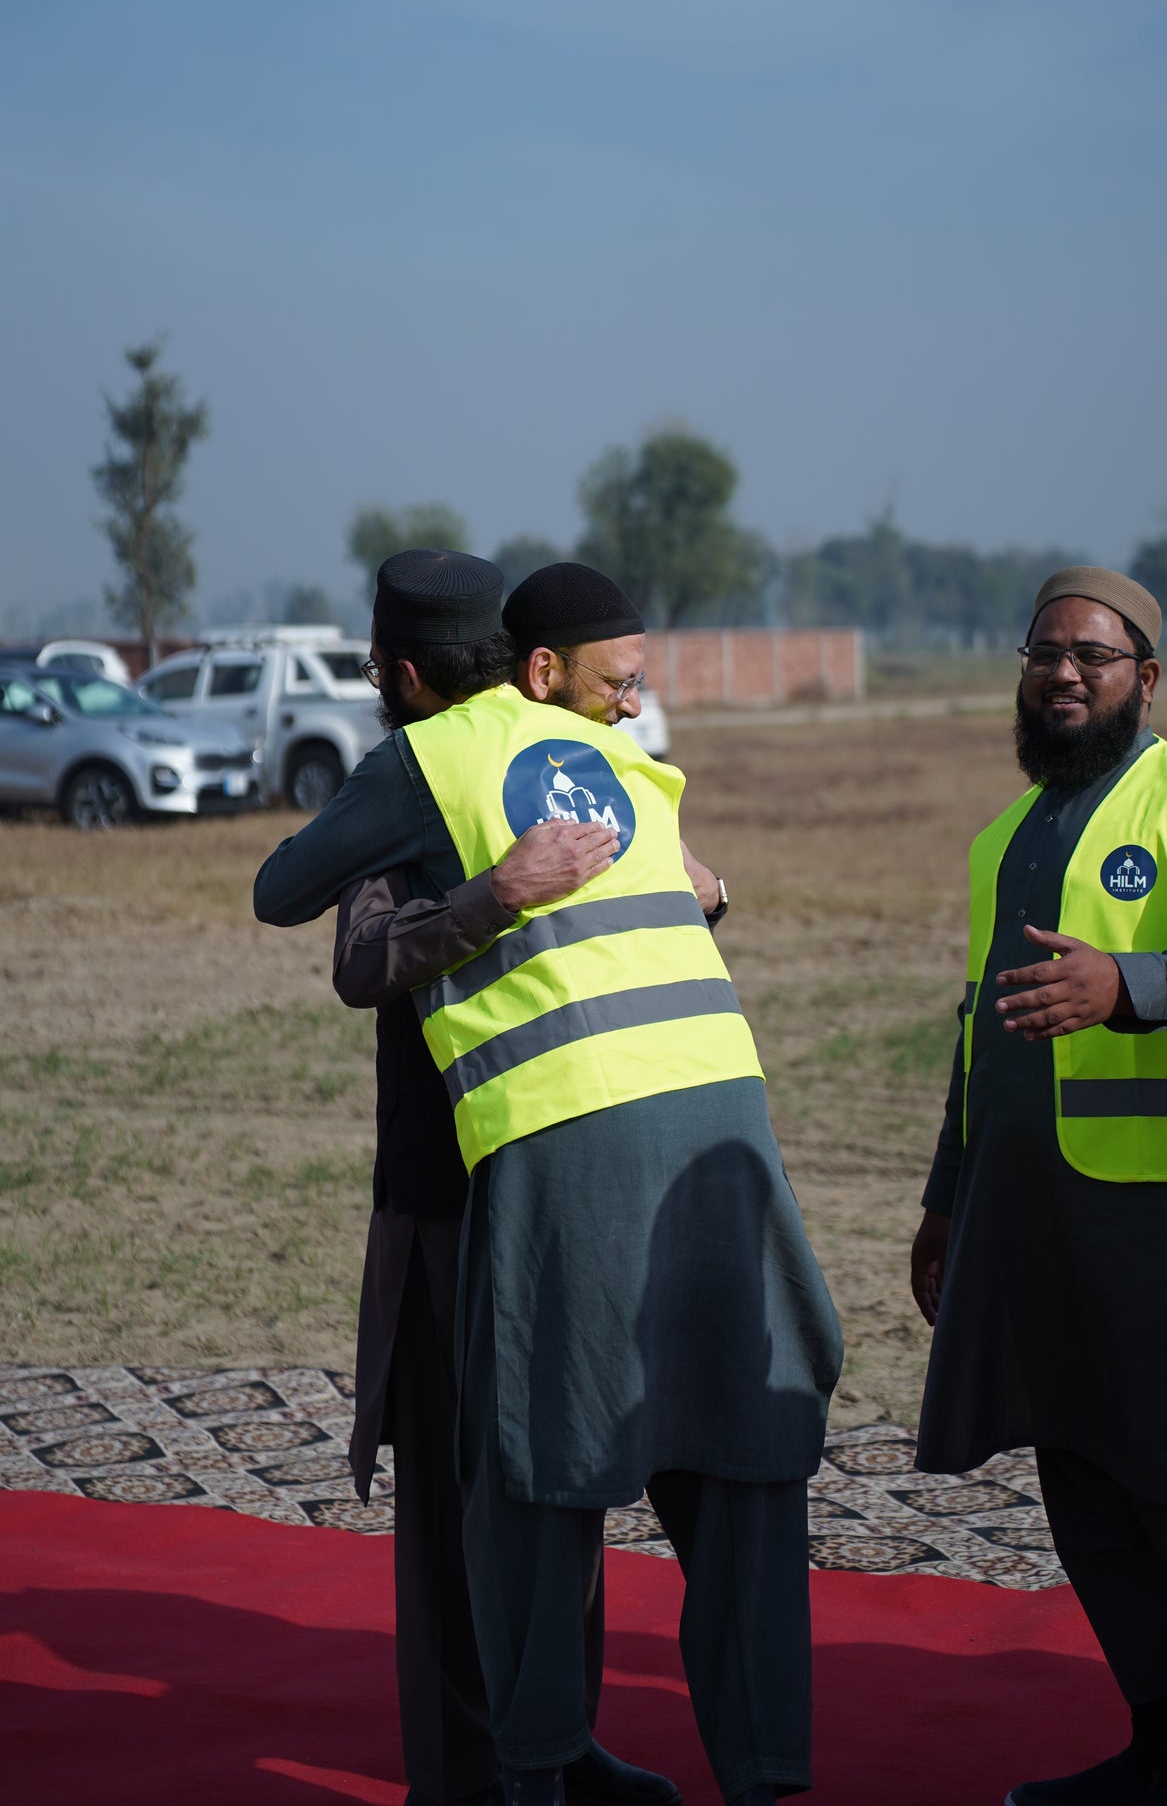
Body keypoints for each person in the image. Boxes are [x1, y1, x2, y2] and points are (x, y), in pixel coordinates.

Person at [256, 549, 842, 1806]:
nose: (630, 699)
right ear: (526, 666)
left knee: (525, 1481)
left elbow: (287, 893)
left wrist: (500, 895)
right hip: (714, 1140)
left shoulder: (433, 763)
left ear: (397, 675)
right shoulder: (608, 757)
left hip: (547, 1158)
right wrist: (511, 893)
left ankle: (535, 1769)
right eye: (617, 679)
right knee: (728, 1460)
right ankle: (731, 1769)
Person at [909, 565, 1167, 1806]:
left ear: (1148, 676)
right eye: (1044, 654)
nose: (1064, 673)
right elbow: (977, 1038)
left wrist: (1128, 986)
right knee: (1080, 1479)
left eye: (1092, 654)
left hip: (1165, 1219)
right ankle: (1166, 1748)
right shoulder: (1004, 839)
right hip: (1031, 1220)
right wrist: (945, 1199)